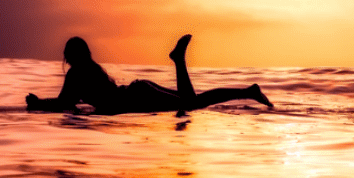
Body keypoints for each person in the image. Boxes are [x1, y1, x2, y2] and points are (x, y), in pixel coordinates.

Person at [26, 35, 273, 114]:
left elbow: (63, 104)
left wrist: (38, 104)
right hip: (138, 89)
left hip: (135, 99)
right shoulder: (92, 69)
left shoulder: (76, 75)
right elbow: (72, 103)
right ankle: (247, 91)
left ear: (70, 55)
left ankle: (179, 61)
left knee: (191, 104)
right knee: (195, 101)